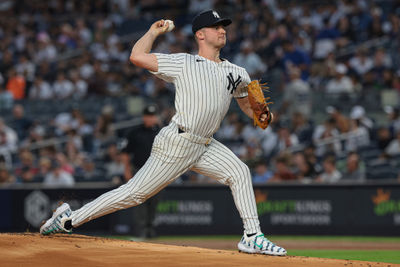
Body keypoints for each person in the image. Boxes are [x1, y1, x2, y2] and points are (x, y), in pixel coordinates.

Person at [40, 10, 286, 256]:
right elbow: (137, 56)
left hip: (205, 144)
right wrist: (153, 32)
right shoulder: (184, 62)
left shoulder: (238, 71)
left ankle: (253, 236)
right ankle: (69, 219)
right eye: (215, 27)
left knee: (239, 171)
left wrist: (261, 114)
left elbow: (246, 102)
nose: (222, 30)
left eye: (223, 26)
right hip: (177, 142)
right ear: (200, 35)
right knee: (134, 194)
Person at [121, 104, 161, 238]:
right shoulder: (135, 132)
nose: (150, 119)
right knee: (140, 201)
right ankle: (141, 230)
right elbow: (126, 153)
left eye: (152, 116)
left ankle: (151, 229)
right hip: (139, 170)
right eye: (148, 116)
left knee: (154, 201)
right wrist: (127, 171)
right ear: (144, 117)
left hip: (157, 173)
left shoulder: (161, 132)